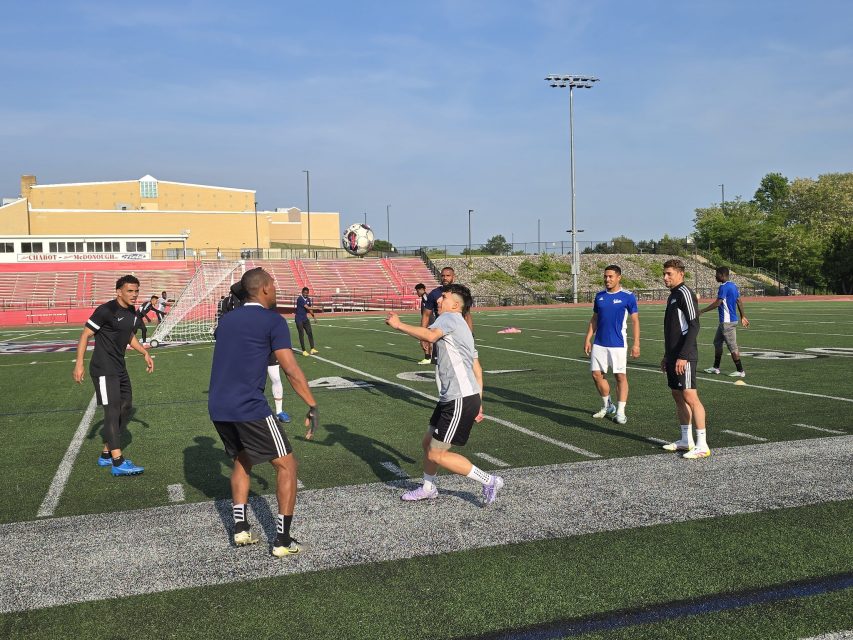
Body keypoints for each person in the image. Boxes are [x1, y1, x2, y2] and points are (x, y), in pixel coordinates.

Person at [208, 267, 319, 557]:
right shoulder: (273, 320)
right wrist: (311, 404)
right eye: (274, 284)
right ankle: (282, 541)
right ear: (265, 288)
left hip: (218, 406)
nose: (277, 289)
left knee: (243, 460)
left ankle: (241, 529)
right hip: (249, 405)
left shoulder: (227, 320)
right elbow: (291, 369)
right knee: (287, 465)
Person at [386, 283, 502, 504]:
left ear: (455, 304)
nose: (438, 300)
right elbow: (476, 368)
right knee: (428, 444)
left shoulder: (449, 319)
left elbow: (430, 337)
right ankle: (428, 487)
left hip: (459, 398)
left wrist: (399, 325)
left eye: (444, 297)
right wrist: (479, 400)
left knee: (436, 453)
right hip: (456, 397)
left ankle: (489, 480)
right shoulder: (462, 327)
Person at [73, 274, 154, 476]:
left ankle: (106, 453)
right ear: (118, 291)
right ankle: (118, 462)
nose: (134, 295)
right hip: (103, 368)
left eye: (136, 291)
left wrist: (144, 352)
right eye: (130, 291)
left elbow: (128, 335)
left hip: (119, 367)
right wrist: (79, 364)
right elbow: (85, 335)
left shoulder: (132, 311)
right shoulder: (106, 310)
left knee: (126, 408)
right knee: (112, 411)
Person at [660, 259, 710, 459]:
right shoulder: (672, 296)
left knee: (690, 396)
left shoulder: (685, 294)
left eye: (669, 274)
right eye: (664, 274)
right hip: (673, 356)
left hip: (685, 356)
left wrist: (682, 355)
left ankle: (702, 444)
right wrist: (667, 355)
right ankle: (685, 440)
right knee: (677, 395)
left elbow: (694, 326)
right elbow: (673, 330)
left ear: (680, 274)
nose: (665, 277)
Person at [583, 265, 640, 425]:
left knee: (620, 376)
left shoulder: (628, 296)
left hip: (618, 344)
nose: (607, 279)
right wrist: (588, 338)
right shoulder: (599, 296)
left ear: (618, 277)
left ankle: (621, 412)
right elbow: (594, 318)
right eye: (605, 276)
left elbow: (635, 321)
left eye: (610, 276)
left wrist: (636, 344)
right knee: (596, 375)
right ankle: (608, 405)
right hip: (599, 343)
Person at [700, 266, 750, 377]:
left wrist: (702, 311)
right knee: (717, 343)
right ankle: (716, 367)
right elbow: (739, 301)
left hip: (727, 323)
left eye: (716, 274)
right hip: (726, 322)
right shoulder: (733, 285)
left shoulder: (723, 287)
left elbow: (718, 303)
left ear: (722, 275)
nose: (715, 276)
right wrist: (743, 316)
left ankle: (740, 371)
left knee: (732, 347)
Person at [294, 287, 318, 356]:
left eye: (307, 293)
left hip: (305, 319)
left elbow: (310, 310)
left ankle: (312, 349)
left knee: (310, 332)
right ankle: (304, 350)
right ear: (302, 292)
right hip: (299, 319)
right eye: (304, 293)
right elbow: (307, 307)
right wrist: (317, 308)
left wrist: (314, 317)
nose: (305, 294)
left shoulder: (308, 299)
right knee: (301, 334)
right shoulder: (300, 299)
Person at [414, 283, 432, 364]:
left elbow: (427, 311)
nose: (417, 293)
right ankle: (430, 358)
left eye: (417, 291)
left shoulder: (425, 297)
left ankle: (428, 358)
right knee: (429, 340)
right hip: (430, 321)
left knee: (424, 340)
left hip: (429, 322)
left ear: (422, 289)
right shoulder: (425, 297)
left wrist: (424, 324)